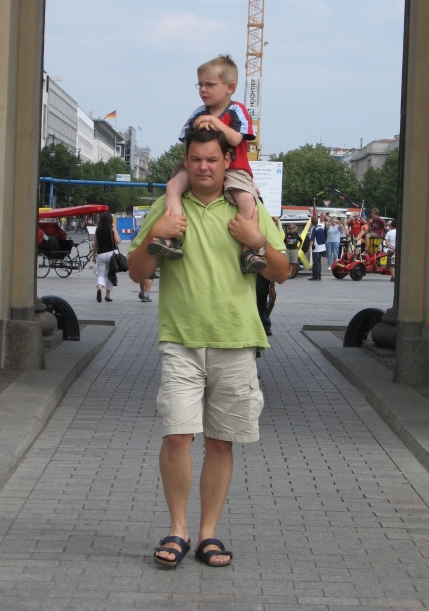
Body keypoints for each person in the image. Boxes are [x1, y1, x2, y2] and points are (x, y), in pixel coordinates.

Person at [128, 128, 288, 568]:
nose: (203, 166)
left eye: (212, 159)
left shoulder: (246, 207)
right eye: (196, 159)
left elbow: (281, 272)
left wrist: (256, 240)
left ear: (226, 163)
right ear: (186, 160)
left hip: (236, 340)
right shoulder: (168, 206)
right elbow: (136, 271)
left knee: (220, 443)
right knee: (177, 436)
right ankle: (177, 530)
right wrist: (156, 232)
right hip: (180, 339)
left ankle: (207, 535)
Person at [147, 55, 266, 274]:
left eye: (209, 84)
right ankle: (172, 237)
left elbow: (236, 139)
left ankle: (249, 251)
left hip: (235, 169)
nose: (203, 89)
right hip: (202, 169)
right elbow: (188, 138)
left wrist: (214, 122)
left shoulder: (237, 110)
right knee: (173, 186)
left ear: (230, 87)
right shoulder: (198, 113)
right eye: (200, 84)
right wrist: (200, 127)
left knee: (247, 199)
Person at [92, 212, 121, 303]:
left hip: (101, 254)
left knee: (101, 274)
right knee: (110, 274)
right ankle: (107, 296)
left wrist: (94, 255)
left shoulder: (98, 229)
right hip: (112, 254)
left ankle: (99, 288)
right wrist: (114, 230)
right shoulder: (112, 228)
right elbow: (117, 241)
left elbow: (95, 244)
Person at [307, 216, 326, 280]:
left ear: (312, 222)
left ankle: (316, 276)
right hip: (322, 247)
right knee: (319, 262)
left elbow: (311, 239)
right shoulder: (321, 227)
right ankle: (319, 275)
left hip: (316, 247)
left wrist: (309, 248)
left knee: (316, 262)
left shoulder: (313, 229)